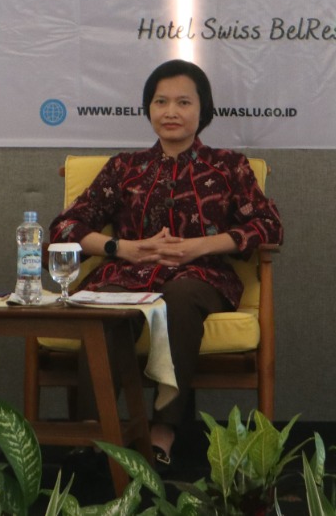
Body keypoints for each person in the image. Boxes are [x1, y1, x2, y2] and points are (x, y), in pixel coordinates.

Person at [49, 59, 283, 467]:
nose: (170, 111)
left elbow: (268, 225)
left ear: (202, 109)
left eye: (183, 102)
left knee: (178, 297)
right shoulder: (124, 168)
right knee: (101, 305)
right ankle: (95, 430)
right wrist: (121, 248)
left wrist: (200, 247)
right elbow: (65, 226)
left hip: (201, 276)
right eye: (161, 102)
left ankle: (164, 429)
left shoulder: (229, 166)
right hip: (128, 273)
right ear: (148, 109)